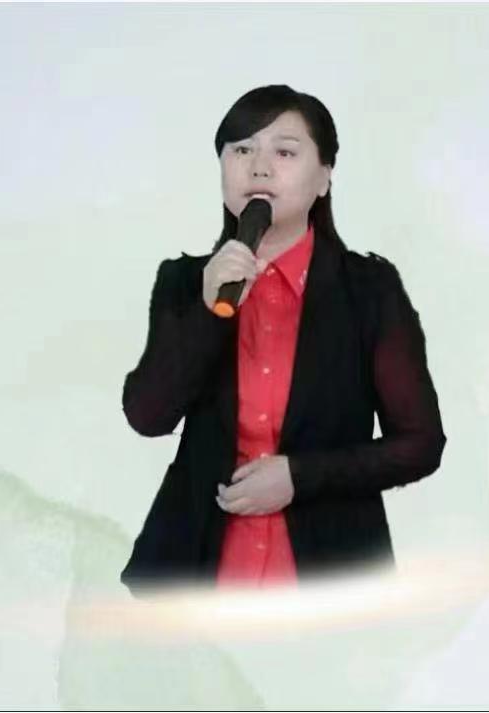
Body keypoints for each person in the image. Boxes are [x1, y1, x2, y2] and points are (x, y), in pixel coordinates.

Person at [120, 84, 447, 594]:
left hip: (332, 581)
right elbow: (148, 416)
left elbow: (420, 444)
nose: (259, 168)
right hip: (194, 581)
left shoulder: (369, 290)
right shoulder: (184, 282)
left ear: (325, 176)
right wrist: (207, 311)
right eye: (242, 150)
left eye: (285, 152)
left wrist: (300, 477)